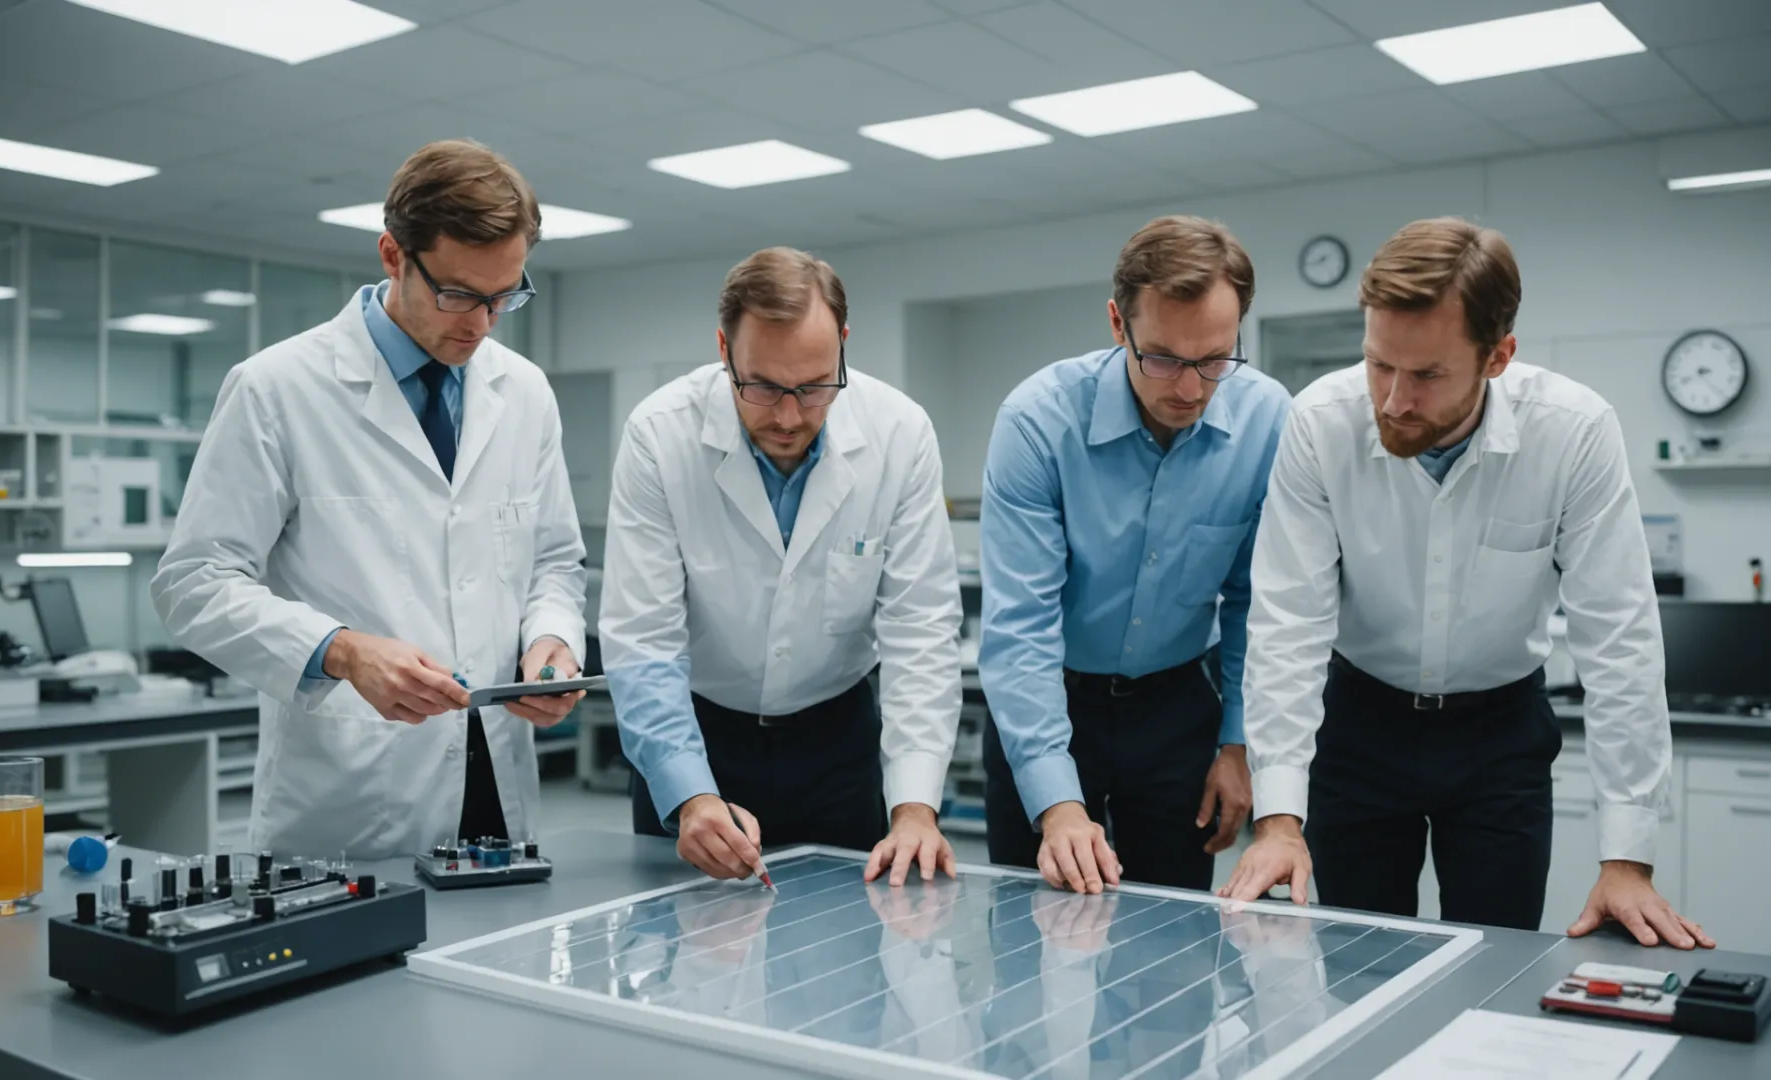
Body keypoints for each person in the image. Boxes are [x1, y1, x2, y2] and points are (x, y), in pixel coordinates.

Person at [1222, 218, 1712, 950]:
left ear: (1498, 356)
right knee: (1359, 966)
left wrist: (1627, 859)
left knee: (1495, 965)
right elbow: (1289, 625)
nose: (1391, 400)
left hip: (1500, 739)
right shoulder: (1321, 423)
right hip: (1360, 726)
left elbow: (1620, 640)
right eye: (1378, 364)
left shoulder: (1573, 433)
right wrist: (1279, 821)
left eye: (1425, 375)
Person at [152, 139, 588, 860]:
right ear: (393, 255)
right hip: (352, 792)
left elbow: (554, 562)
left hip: (496, 780)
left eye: (503, 296)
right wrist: (342, 652)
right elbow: (192, 584)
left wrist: (552, 642)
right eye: (457, 294)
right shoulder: (278, 388)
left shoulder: (525, 392)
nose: (480, 324)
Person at [602, 247, 964, 887]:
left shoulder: (900, 434)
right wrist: (690, 795)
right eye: (763, 387)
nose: (790, 416)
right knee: (690, 964)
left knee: (847, 959)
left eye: (816, 385)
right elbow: (642, 639)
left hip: (838, 742)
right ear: (723, 349)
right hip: (699, 736)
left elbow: (921, 632)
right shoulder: (660, 435)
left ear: (844, 345)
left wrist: (914, 809)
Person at [977, 216, 1291, 895]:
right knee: (1035, 943)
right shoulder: (1037, 421)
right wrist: (1060, 805)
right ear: (1118, 323)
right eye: (1164, 358)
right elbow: (1021, 627)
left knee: (1172, 952)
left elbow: (1254, 605)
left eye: (1214, 361)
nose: (1189, 388)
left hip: (1177, 709)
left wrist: (1239, 747)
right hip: (1048, 701)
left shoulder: (1268, 420)